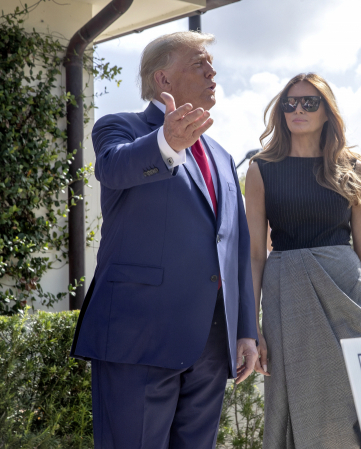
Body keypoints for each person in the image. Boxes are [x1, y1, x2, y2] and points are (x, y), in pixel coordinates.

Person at [70, 31, 258, 449]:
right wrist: (166, 143)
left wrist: (245, 329)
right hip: (138, 340)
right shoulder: (120, 127)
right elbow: (114, 168)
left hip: (210, 347)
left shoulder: (224, 158)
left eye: (212, 65)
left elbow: (237, 248)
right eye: (199, 64)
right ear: (163, 80)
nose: (213, 72)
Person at [245, 72, 361, 449]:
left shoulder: (352, 168)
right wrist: (253, 325)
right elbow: (256, 255)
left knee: (352, 401)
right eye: (289, 103)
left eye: (309, 102)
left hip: (347, 297)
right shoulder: (260, 170)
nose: (298, 109)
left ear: (327, 113)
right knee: (294, 397)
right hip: (286, 299)